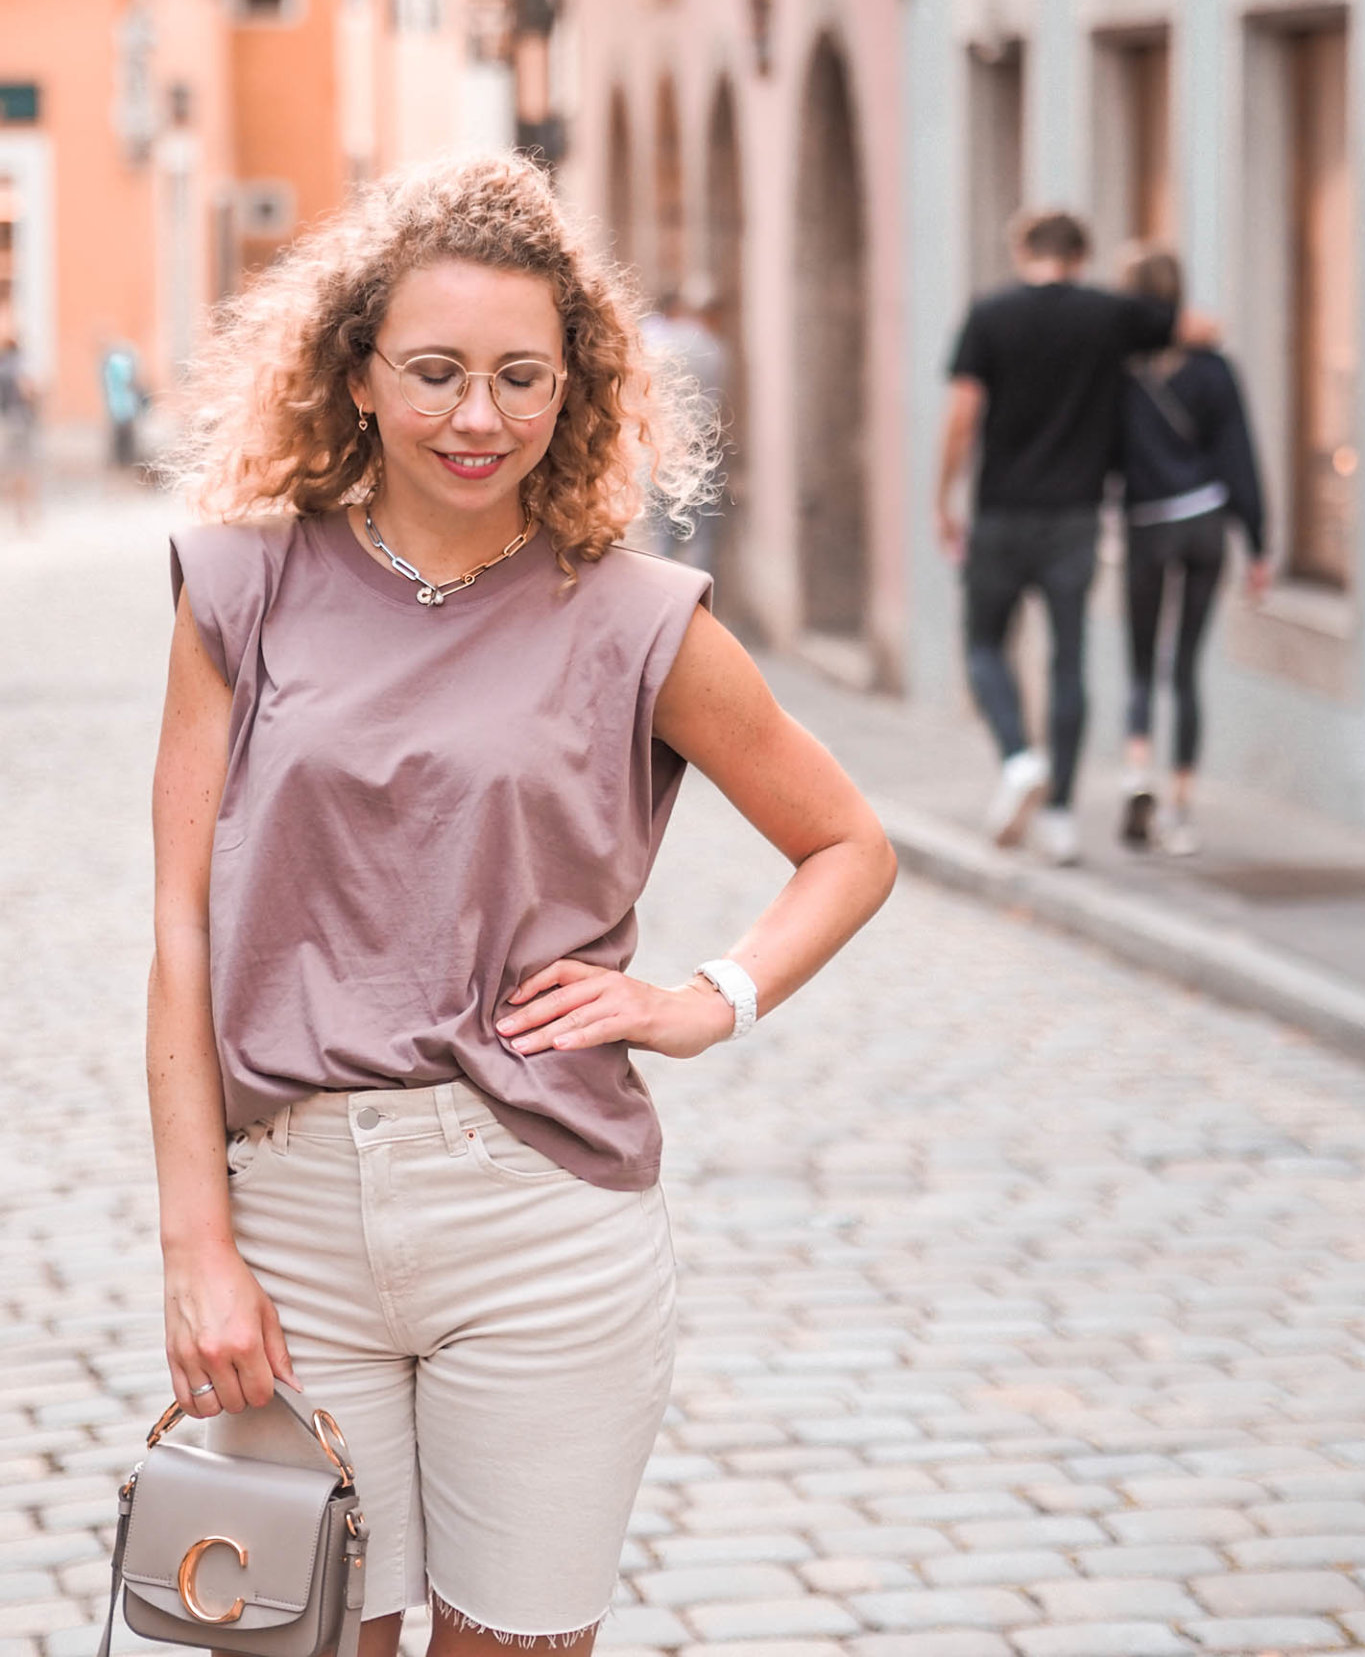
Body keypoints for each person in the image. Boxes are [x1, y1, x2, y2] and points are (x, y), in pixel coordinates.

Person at [147, 153, 895, 1657]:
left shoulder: (634, 618)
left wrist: (702, 998)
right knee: (298, 1638)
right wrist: (198, 1245)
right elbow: (180, 930)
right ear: (357, 374)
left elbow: (847, 843)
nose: (477, 417)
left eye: (519, 378)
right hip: (291, 1214)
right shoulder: (240, 589)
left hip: (542, 1217)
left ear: (577, 388)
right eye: (434, 372)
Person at [934, 209, 1177, 865]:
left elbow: (962, 415)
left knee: (984, 644)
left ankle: (1018, 758)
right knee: (1068, 659)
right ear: (1081, 254)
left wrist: (944, 498)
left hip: (1003, 511)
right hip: (1076, 514)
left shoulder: (990, 313)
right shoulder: (1108, 314)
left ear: (1023, 251)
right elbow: (1175, 320)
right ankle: (1063, 816)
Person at [1114, 245, 1269, 856]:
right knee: (1185, 671)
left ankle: (1136, 776)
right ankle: (1179, 813)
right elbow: (1241, 458)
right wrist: (1258, 543)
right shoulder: (1214, 367)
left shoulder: (1118, 371)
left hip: (1147, 524)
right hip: (1206, 521)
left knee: (1141, 663)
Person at [637, 275, 730, 569]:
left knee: (663, 529)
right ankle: (699, 601)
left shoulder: (651, 342)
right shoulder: (708, 343)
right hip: (701, 442)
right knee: (701, 531)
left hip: (661, 445)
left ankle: (664, 596)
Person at [0, 330, 38, 528]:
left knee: (13, 469)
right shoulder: (18, 367)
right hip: (21, 420)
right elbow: (28, 390)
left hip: (8, 420)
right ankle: (25, 517)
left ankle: (19, 515)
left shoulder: (3, 367)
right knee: (24, 469)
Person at [100, 338, 144, 469]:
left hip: (120, 407)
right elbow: (128, 381)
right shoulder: (119, 364)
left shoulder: (112, 365)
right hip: (123, 408)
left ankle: (122, 463)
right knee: (124, 437)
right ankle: (124, 462)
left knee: (121, 437)